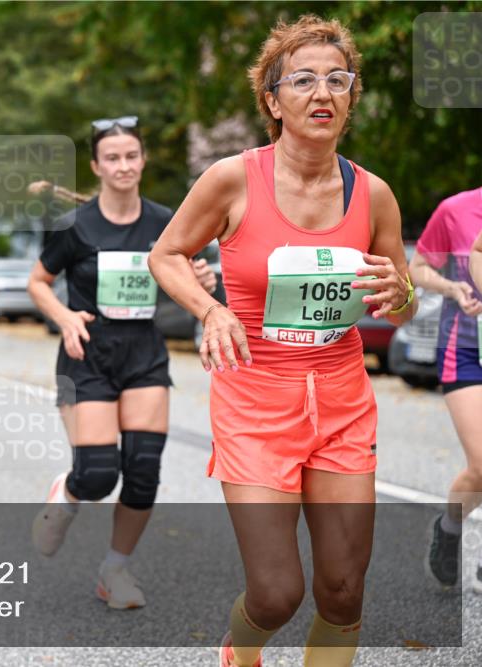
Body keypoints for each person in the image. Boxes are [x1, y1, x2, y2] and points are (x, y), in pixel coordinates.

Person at [148, 16, 416, 667]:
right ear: (273, 100)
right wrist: (210, 310)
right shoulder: (231, 180)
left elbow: (400, 302)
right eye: (303, 80)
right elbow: (167, 254)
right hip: (255, 401)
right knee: (276, 593)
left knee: (344, 590)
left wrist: (400, 296)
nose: (322, 92)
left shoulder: (373, 195)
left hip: (344, 403)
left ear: (352, 98)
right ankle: (241, 651)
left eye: (337, 79)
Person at [28, 116, 217, 609]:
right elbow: (37, 283)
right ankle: (66, 496)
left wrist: (203, 282)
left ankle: (115, 570)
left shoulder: (165, 223)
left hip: (143, 354)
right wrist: (65, 317)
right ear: (96, 165)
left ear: (143, 160)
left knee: (143, 470)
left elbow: (191, 278)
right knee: (96, 474)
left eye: (131, 155)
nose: (123, 165)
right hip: (86, 352)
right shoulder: (75, 225)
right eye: (112, 157)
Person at [409, 187, 482, 592]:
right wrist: (453, 289)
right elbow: (418, 268)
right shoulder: (455, 210)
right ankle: (449, 527)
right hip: (466, 349)